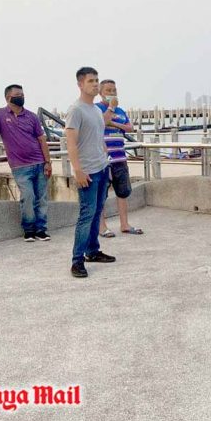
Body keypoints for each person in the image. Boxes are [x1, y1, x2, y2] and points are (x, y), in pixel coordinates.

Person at [66, 67, 116, 278]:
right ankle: (77, 261)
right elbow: (71, 143)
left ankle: (93, 251)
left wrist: (106, 163)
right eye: (90, 81)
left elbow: (98, 135)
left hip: (102, 168)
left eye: (96, 80)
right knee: (86, 215)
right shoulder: (76, 110)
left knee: (97, 212)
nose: (95, 84)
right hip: (87, 172)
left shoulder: (95, 109)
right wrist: (77, 170)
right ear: (80, 84)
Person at [0, 84, 52, 242]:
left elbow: (42, 140)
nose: (21, 97)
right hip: (20, 167)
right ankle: (29, 230)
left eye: (22, 94)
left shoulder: (32, 116)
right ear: (8, 97)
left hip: (40, 163)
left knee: (41, 198)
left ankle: (41, 230)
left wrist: (48, 162)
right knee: (28, 197)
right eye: (18, 95)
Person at [96, 79, 143, 237]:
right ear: (100, 92)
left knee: (123, 192)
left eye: (114, 90)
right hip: (104, 158)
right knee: (101, 194)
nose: (112, 93)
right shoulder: (96, 109)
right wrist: (111, 108)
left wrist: (115, 125)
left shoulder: (121, 111)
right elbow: (101, 123)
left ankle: (125, 224)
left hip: (120, 157)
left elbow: (130, 128)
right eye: (108, 90)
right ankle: (102, 227)